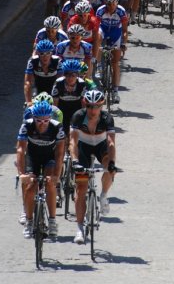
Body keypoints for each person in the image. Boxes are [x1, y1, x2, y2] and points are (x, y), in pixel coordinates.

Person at [70, 89, 117, 244]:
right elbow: (73, 142)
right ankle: (79, 228)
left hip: (100, 146)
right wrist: (75, 161)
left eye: (96, 106)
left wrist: (111, 163)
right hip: (83, 148)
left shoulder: (107, 118)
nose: (92, 109)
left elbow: (110, 143)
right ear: (85, 104)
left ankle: (103, 195)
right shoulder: (78, 116)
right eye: (89, 106)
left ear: (101, 106)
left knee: (109, 169)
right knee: (81, 188)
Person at [16, 100, 65, 239]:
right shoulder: (27, 125)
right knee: (31, 185)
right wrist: (21, 174)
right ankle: (29, 222)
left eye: (45, 121)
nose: (42, 124)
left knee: (50, 183)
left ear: (50, 118)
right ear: (34, 118)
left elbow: (60, 153)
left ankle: (52, 220)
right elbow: (20, 150)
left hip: (50, 157)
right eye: (39, 121)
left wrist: (57, 175)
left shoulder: (57, 127)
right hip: (33, 157)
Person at [95, 0, 128, 102]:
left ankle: (115, 90)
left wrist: (123, 43)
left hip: (115, 33)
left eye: (113, 4)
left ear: (117, 3)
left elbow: (124, 30)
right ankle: (99, 66)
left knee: (115, 63)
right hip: (103, 30)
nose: (111, 6)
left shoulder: (121, 11)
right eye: (108, 4)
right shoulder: (100, 11)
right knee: (98, 37)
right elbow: (95, 28)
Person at [52, 59, 88, 136]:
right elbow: (55, 103)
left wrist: (84, 117)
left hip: (76, 106)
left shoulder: (81, 84)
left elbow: (83, 102)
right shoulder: (58, 83)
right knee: (62, 130)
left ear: (77, 75)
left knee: (78, 129)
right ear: (64, 74)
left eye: (73, 75)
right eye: (67, 74)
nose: (70, 77)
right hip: (62, 107)